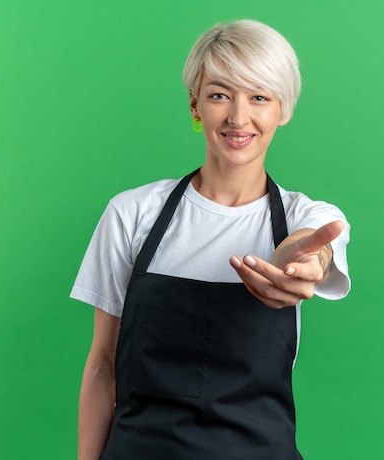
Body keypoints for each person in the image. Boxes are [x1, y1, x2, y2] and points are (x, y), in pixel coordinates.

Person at [71, 19, 351, 460]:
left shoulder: (304, 217)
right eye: (220, 94)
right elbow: (103, 365)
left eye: (259, 97)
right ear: (195, 105)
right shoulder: (131, 214)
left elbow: (319, 244)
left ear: (284, 108)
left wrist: (305, 265)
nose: (239, 117)